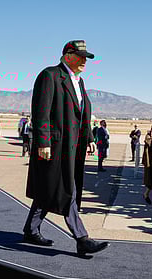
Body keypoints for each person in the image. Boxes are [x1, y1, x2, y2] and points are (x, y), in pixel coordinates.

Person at [24, 40, 109, 256]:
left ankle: (30, 229)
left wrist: (88, 136)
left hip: (73, 148)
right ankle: (82, 239)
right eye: (80, 56)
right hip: (55, 146)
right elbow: (40, 111)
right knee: (66, 190)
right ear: (67, 55)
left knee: (49, 188)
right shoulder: (50, 76)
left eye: (86, 58)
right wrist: (43, 142)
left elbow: (83, 114)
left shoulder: (78, 82)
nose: (84, 61)